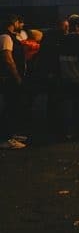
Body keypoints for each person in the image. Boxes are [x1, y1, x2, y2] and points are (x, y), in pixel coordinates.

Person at [0, 15, 27, 149]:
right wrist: (16, 75)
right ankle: (6, 138)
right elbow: (8, 58)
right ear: (13, 23)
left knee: (15, 104)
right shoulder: (6, 38)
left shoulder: (12, 36)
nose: (21, 24)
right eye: (19, 22)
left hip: (14, 76)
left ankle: (12, 133)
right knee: (10, 106)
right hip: (10, 77)